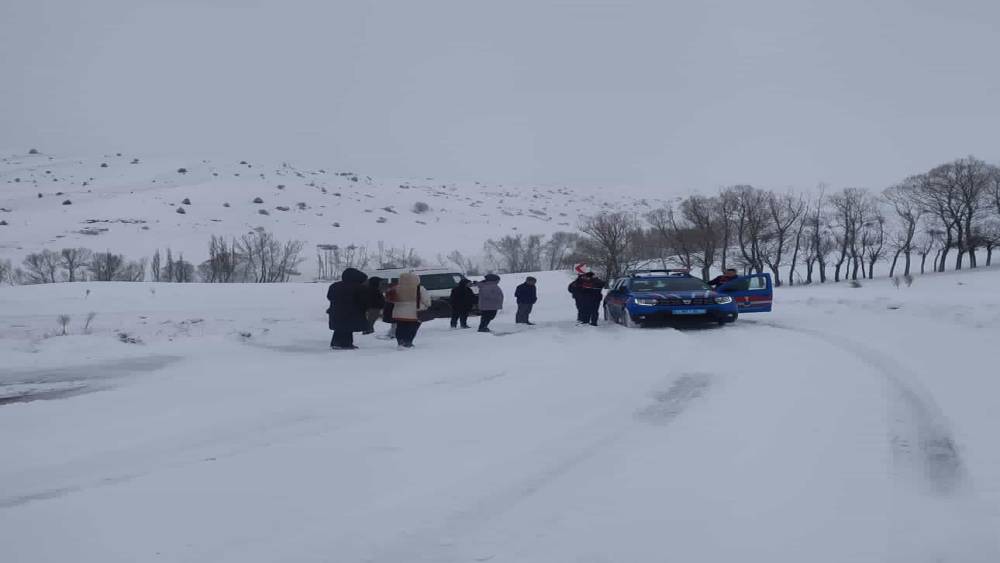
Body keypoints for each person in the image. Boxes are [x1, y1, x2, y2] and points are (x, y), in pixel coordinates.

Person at [327, 267, 368, 349]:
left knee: (339, 328)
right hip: (352, 312)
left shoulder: (334, 286)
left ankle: (336, 343)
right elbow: (363, 300)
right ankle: (346, 344)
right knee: (348, 328)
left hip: (336, 311)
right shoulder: (359, 287)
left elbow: (329, 296)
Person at [389, 272, 431, 348]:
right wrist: (427, 305)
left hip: (399, 313)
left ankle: (400, 342)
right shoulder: (419, 288)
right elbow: (426, 301)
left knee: (400, 327)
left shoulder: (396, 288)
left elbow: (390, 299)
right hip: (414, 313)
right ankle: (408, 342)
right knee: (412, 328)